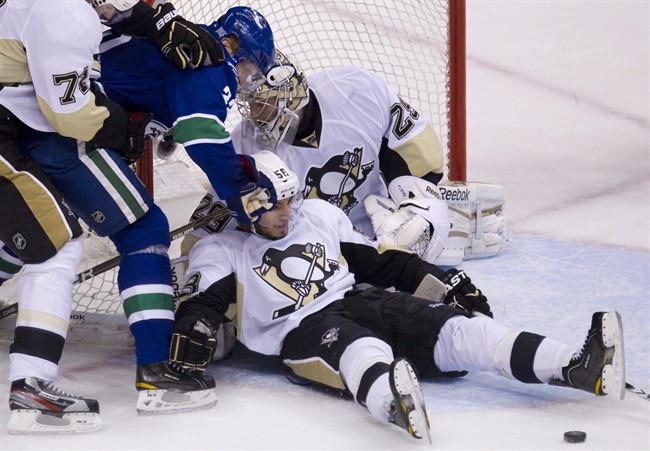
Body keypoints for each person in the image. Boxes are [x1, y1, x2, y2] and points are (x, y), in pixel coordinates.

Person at [169, 151, 625, 442]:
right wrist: (193, 328)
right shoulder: (222, 249)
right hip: (300, 332)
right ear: (247, 203)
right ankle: (393, 398)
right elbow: (201, 304)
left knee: (458, 329)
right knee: (359, 347)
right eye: (276, 204)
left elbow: (381, 263)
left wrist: (442, 281)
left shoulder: (318, 218)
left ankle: (575, 365)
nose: (288, 211)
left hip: (357, 299)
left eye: (290, 199)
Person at [0, 0, 224, 433]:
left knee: (26, 233)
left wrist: (158, 20)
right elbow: (67, 116)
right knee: (102, 236)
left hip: (16, 125)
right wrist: (117, 125)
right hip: (28, 132)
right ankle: (145, 372)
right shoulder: (65, 12)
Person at [185, 50, 507, 266]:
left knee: (413, 230)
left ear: (285, 91)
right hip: (321, 252)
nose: (253, 115)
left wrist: (419, 211)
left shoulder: (354, 89)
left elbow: (419, 156)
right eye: (248, 105)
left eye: (260, 103)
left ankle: (439, 223)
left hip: (381, 223)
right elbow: (210, 228)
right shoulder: (246, 146)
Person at [97, 5, 280, 225]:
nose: (243, 81)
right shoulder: (217, 61)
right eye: (248, 71)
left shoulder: (194, 38)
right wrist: (240, 187)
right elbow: (198, 131)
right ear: (229, 42)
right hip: (78, 105)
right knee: (147, 229)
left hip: (74, 94)